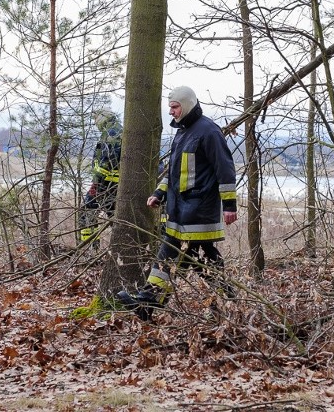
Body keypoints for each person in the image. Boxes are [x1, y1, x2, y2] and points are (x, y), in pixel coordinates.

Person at [117, 86, 237, 320]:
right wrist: (159, 193)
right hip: (179, 211)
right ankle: (230, 304)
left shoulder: (209, 132)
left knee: (175, 254)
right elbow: (174, 173)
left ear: (188, 104)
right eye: (170, 107)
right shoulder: (183, 132)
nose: (171, 112)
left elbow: (226, 170)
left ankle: (149, 302)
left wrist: (230, 206)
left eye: (175, 107)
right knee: (206, 262)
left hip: (198, 212)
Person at [77, 109, 123, 249]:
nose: (95, 122)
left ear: (103, 119)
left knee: (85, 213)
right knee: (115, 219)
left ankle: (90, 250)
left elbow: (106, 164)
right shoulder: (113, 131)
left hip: (107, 185)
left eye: (96, 119)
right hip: (110, 185)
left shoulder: (112, 134)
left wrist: (95, 185)